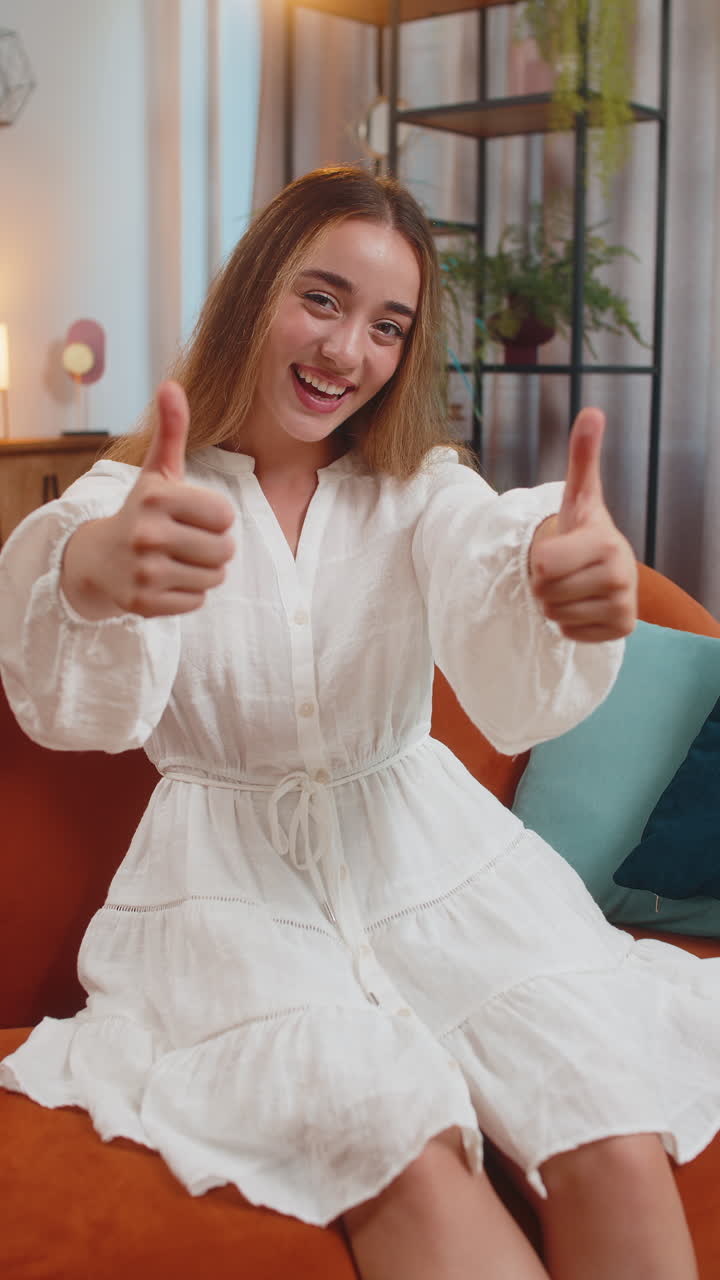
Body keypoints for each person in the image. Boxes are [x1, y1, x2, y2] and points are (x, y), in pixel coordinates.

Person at [0, 165, 713, 1280]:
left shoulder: (421, 490)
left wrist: (554, 571)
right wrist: (97, 571)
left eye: (389, 325)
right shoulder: (139, 500)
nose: (348, 351)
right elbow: (67, 608)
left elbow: (490, 558)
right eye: (321, 299)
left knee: (607, 1125)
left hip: (443, 871)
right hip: (233, 900)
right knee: (396, 1147)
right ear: (255, 292)